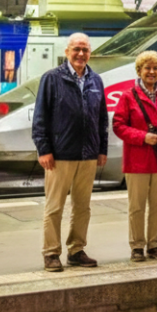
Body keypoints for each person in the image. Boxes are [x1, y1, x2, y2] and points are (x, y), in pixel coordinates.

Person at [32, 33, 108, 272]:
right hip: (60, 155)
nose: (81, 54)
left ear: (90, 53)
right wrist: (44, 149)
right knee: (54, 207)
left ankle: (76, 250)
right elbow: (40, 117)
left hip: (88, 155)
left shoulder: (96, 80)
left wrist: (101, 149)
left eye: (85, 49)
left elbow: (102, 120)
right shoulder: (52, 79)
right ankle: (51, 253)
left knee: (82, 207)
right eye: (76, 49)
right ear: (67, 52)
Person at [112, 50, 157, 262]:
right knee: (137, 206)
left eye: (155, 68)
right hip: (138, 160)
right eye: (147, 68)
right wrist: (143, 137)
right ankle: (137, 246)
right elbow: (118, 125)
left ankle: (154, 244)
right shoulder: (127, 96)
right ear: (139, 71)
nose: (151, 72)